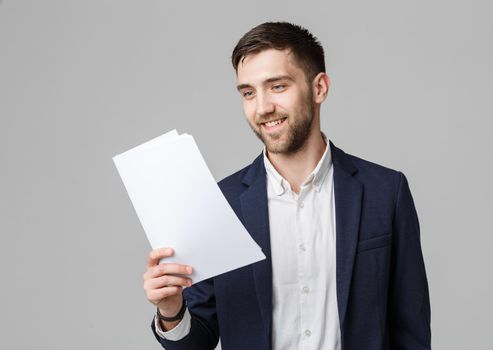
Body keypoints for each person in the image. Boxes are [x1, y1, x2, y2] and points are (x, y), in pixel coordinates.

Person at [142, 21, 431, 350]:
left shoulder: (386, 192)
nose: (262, 107)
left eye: (277, 86)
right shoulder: (220, 204)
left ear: (319, 87)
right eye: (249, 92)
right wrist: (170, 310)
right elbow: (196, 343)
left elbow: (412, 330)